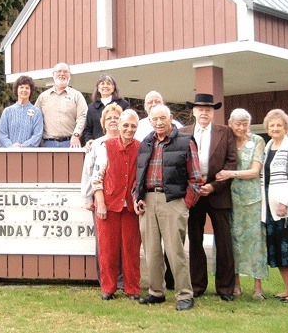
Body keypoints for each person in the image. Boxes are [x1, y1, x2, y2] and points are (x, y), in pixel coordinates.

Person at [133, 104, 199, 311]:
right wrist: (137, 197)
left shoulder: (185, 141)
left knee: (174, 251)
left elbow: (196, 179)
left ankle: (185, 295)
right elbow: (138, 177)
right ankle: (156, 292)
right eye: (155, 119)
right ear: (150, 121)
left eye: (163, 118)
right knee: (151, 252)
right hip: (148, 202)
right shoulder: (145, 143)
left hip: (173, 202)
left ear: (170, 117)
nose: (159, 122)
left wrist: (184, 204)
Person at [181, 93, 237, 301]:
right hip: (193, 195)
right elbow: (178, 163)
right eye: (200, 109)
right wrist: (192, 188)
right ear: (194, 111)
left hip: (218, 193)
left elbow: (231, 163)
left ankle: (225, 288)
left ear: (213, 112)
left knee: (223, 242)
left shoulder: (225, 133)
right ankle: (197, 285)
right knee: (195, 240)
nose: (204, 112)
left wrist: (213, 186)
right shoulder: (183, 133)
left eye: (208, 109)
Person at [214, 108, 267, 299]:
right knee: (232, 241)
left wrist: (230, 174)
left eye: (245, 123)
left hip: (251, 199)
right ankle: (235, 285)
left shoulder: (257, 141)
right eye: (238, 123)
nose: (242, 127)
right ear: (230, 123)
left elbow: (254, 171)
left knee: (254, 241)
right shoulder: (226, 140)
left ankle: (257, 287)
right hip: (229, 198)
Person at [90, 109, 141, 300]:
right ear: (119, 125)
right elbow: (96, 178)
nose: (129, 129)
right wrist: (100, 203)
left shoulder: (141, 147)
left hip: (131, 207)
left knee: (131, 249)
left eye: (133, 126)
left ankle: (133, 289)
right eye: (125, 125)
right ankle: (108, 288)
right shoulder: (106, 146)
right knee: (107, 249)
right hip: (108, 205)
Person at [81, 104, 123, 289]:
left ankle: (122, 281)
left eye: (116, 117)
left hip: (123, 201)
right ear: (103, 123)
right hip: (101, 200)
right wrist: (88, 198)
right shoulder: (97, 144)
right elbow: (88, 172)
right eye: (109, 118)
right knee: (104, 242)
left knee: (123, 241)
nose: (113, 120)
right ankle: (105, 281)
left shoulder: (129, 142)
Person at [260, 109, 288, 303]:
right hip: (270, 208)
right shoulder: (268, 146)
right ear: (267, 128)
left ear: (286, 127)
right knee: (278, 249)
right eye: (272, 125)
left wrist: (284, 201)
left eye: (279, 125)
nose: (275, 128)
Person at [34, 62, 87, 148]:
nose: (62, 74)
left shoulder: (77, 96)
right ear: (53, 74)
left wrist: (76, 135)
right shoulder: (43, 97)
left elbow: (82, 116)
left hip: (71, 143)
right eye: (59, 71)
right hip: (48, 144)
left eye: (65, 72)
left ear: (70, 75)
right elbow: (35, 119)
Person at [82, 74, 129, 145]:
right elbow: (87, 129)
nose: (105, 86)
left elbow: (127, 125)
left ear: (113, 88)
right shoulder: (91, 108)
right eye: (102, 84)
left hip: (120, 144)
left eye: (108, 84)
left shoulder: (123, 104)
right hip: (98, 145)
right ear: (98, 88)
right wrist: (89, 140)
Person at [0, 75, 43, 147]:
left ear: (31, 91)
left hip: (29, 155)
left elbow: (37, 135)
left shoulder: (37, 113)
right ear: (16, 90)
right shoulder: (7, 111)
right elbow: (2, 134)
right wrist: (11, 147)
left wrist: (22, 147)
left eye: (27, 88)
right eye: (21, 87)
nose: (24, 90)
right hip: (10, 154)